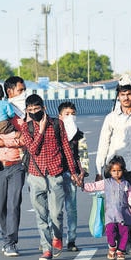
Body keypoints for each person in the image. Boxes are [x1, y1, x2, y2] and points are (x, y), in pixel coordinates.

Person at [20, 94, 81, 260]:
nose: (33, 112)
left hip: (56, 174)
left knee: (55, 214)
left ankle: (58, 236)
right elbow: (32, 150)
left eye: (36, 109)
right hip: (36, 175)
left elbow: (67, 149)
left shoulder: (57, 124)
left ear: (44, 108)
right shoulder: (26, 127)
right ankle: (46, 249)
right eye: (30, 110)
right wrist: (40, 129)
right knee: (40, 215)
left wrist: (74, 172)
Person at [96, 75, 131, 255]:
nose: (126, 98)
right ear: (118, 97)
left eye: (129, 94)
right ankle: (114, 242)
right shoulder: (111, 117)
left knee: (130, 207)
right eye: (122, 94)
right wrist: (100, 169)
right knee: (114, 208)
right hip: (113, 168)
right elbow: (103, 143)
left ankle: (128, 243)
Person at [0, 76, 27, 257]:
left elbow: (25, 139)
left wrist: (5, 141)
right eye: (20, 90)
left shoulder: (22, 113)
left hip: (17, 165)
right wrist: (13, 140)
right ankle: (6, 236)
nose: (24, 94)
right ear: (9, 92)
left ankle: (10, 242)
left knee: (14, 204)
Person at [82, 155, 131, 260]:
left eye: (119, 170)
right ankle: (112, 248)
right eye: (114, 170)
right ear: (110, 171)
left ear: (123, 170)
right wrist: (81, 185)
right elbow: (93, 186)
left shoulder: (126, 184)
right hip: (110, 215)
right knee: (110, 233)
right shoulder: (106, 183)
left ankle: (120, 251)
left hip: (124, 215)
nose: (116, 173)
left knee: (125, 234)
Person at [57, 101, 88, 252]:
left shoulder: (79, 134)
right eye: (67, 114)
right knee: (55, 210)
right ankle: (54, 237)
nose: (70, 117)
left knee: (71, 209)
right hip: (55, 174)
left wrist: (83, 174)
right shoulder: (54, 132)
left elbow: (83, 154)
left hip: (73, 175)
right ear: (60, 116)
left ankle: (72, 240)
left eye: (73, 114)